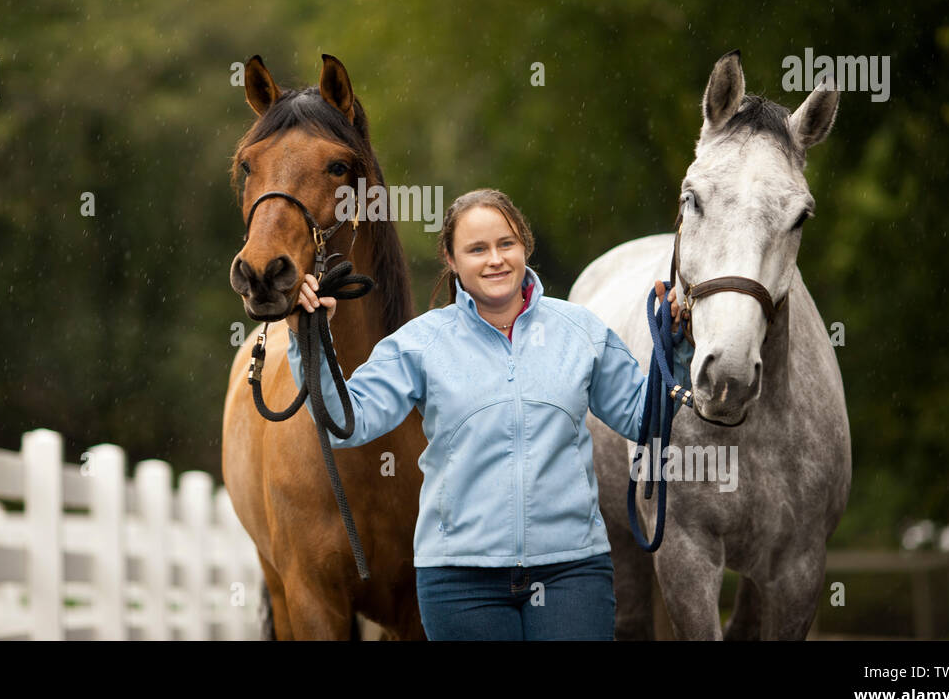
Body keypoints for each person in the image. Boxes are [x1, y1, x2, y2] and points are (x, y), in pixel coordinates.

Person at [284, 188, 692, 640]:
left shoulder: (581, 332)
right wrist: (310, 340)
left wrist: (676, 347)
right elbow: (346, 423)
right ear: (452, 261)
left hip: (570, 572)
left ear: (525, 248)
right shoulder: (420, 344)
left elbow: (648, 422)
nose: (494, 259)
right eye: (476, 249)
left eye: (505, 244)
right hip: (460, 580)